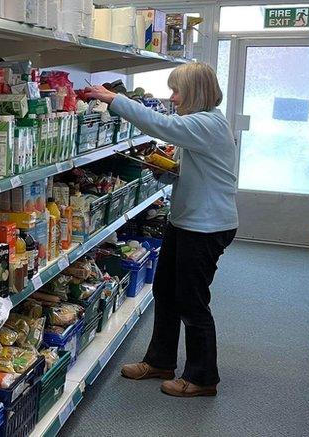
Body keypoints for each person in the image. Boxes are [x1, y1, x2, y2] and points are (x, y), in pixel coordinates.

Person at [81, 62, 238, 398]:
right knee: (165, 292)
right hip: (187, 220)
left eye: (177, 90)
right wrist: (168, 171)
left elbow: (160, 125)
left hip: (206, 226)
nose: (172, 97)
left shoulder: (206, 122)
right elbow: (195, 169)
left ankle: (202, 377)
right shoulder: (201, 124)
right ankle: (161, 361)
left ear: (195, 92)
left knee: (192, 301)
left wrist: (115, 100)